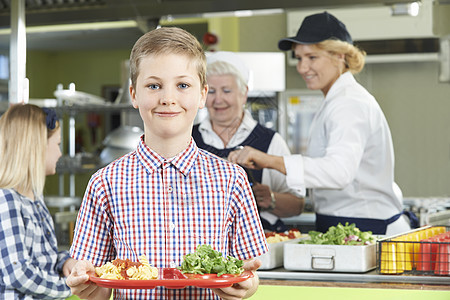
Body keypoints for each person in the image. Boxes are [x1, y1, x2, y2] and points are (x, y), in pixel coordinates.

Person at [66, 27, 268, 300]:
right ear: (134, 95)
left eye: (182, 85)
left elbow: (248, 271)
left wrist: (248, 285)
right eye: (154, 85)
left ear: (202, 95)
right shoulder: (105, 183)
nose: (168, 98)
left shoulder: (232, 179)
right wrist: (86, 285)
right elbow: (96, 283)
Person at [228, 12, 416, 236]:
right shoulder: (336, 99)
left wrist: (269, 160)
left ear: (340, 56)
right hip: (347, 224)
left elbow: (339, 172)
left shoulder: (349, 103)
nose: (302, 67)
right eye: (299, 58)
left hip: (365, 226)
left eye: (312, 57)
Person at [192, 51, 304, 232]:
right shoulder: (188, 139)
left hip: (259, 247)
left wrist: (272, 199)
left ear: (244, 94)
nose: (218, 99)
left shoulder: (270, 141)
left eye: (226, 90)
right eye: (211, 91)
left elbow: (298, 205)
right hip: (200, 245)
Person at [0, 104, 76, 299]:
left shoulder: (34, 198)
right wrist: (68, 288)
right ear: (37, 146)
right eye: (57, 144)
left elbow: (43, 256)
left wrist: (65, 262)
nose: (60, 153)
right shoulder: (6, 200)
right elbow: (18, 273)